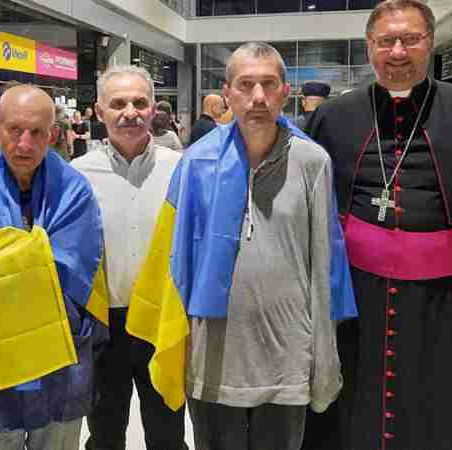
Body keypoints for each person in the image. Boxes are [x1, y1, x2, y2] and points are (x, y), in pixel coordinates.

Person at [302, 2, 452, 449]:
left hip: (444, 302)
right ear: (369, 47)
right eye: (385, 41)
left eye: (410, 39)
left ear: (431, 43)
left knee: (442, 408)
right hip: (355, 298)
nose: (397, 51)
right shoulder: (333, 117)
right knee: (350, 409)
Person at [128, 42, 353, 450]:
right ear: (228, 93)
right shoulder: (196, 162)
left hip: (287, 353)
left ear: (286, 91)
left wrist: (325, 353)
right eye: (246, 85)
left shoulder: (312, 162)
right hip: (215, 356)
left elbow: (325, 266)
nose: (258, 97)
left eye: (269, 84)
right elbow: (178, 264)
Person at [0, 85, 109, 450]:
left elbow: (73, 271)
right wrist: (32, 258)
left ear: (54, 135)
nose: (24, 144)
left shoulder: (75, 190)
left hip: (59, 363)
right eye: (15, 130)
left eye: (37, 132)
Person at [73, 65, 187, 450]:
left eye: (140, 102)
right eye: (118, 103)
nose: (130, 112)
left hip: (163, 320)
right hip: (105, 324)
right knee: (105, 433)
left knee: (168, 433)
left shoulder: (182, 169)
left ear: (154, 109)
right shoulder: (78, 176)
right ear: (99, 110)